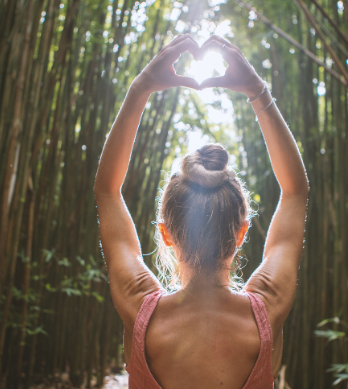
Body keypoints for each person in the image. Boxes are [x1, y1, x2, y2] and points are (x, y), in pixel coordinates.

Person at [94, 34, 309, 389]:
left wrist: (140, 89)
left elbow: (107, 191)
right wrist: (258, 91)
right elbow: (295, 192)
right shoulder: (265, 312)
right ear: (241, 232)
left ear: (165, 233)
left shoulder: (140, 310)